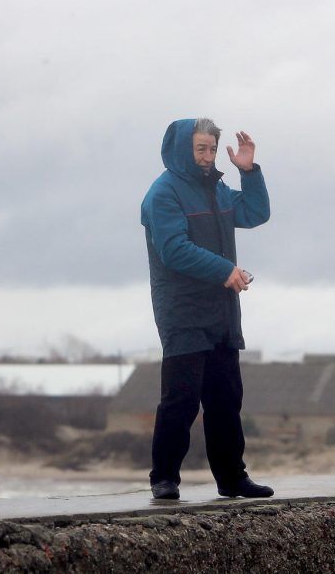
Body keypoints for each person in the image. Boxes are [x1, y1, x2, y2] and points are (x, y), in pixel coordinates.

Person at [140, 117, 273, 500]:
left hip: (221, 311)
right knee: (181, 399)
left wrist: (249, 172)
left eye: (212, 149)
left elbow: (255, 213)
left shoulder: (217, 189)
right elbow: (173, 249)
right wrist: (224, 270)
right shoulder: (162, 194)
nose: (208, 156)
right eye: (201, 148)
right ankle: (164, 478)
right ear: (183, 148)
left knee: (226, 398)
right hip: (181, 311)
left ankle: (232, 477)